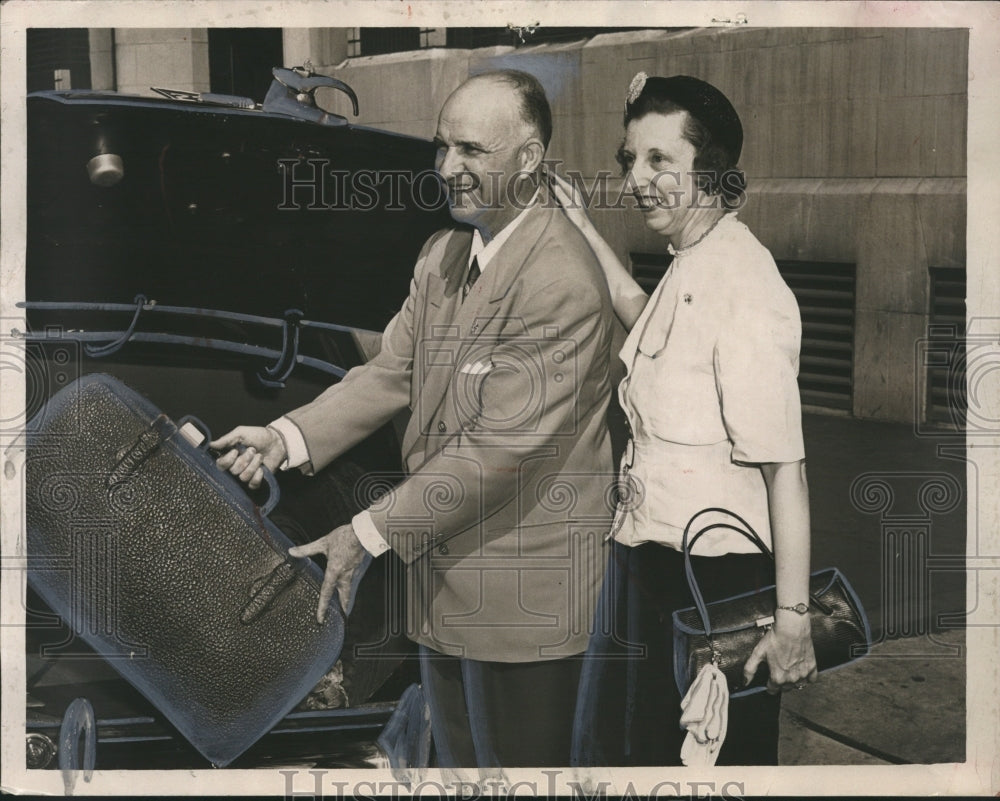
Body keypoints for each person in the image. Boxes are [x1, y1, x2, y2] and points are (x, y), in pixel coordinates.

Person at [212, 69, 617, 768]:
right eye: (441, 147)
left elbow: (495, 454)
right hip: (442, 592)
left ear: (529, 160)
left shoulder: (562, 282)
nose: (447, 168)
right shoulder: (444, 255)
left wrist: (365, 534)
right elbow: (390, 371)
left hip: (522, 609)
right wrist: (283, 437)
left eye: (471, 151)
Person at [550, 73, 817, 766]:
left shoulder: (746, 282)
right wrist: (580, 224)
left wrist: (792, 623)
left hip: (717, 587)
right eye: (630, 160)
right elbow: (648, 322)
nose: (637, 178)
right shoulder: (695, 258)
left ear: (711, 170)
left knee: (706, 766)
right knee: (635, 756)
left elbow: (785, 471)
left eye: (660, 160)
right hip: (649, 561)